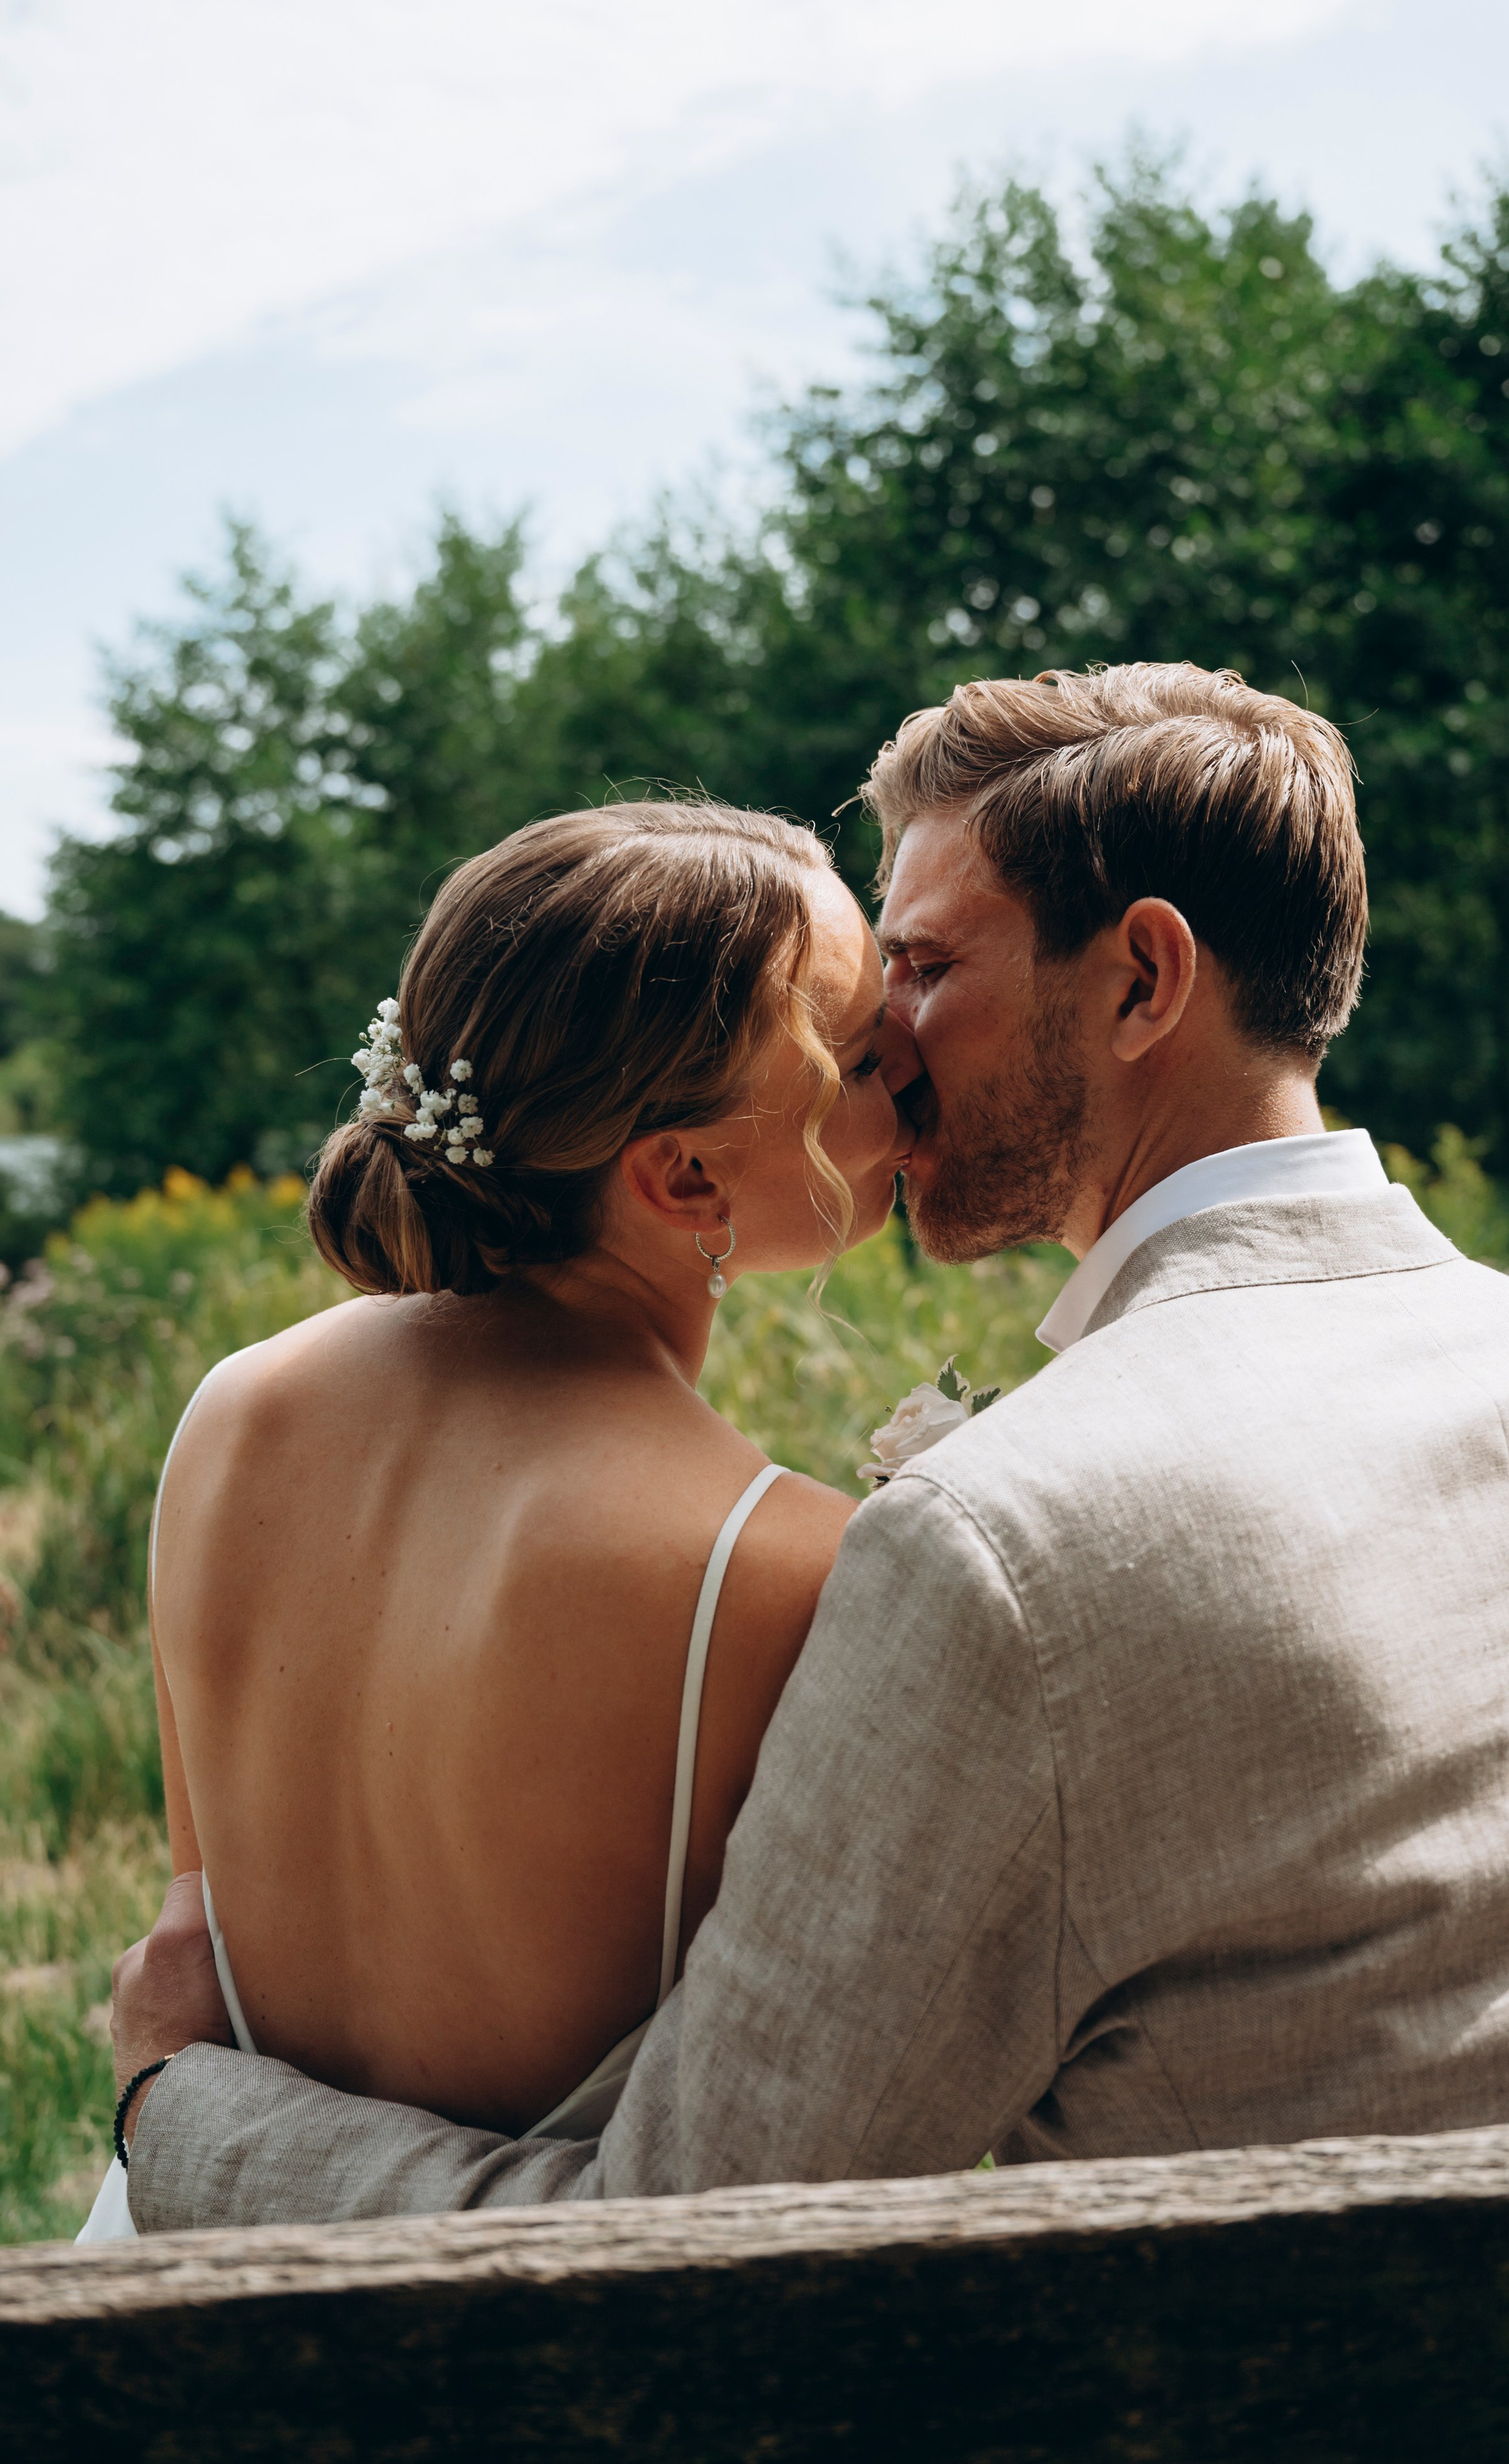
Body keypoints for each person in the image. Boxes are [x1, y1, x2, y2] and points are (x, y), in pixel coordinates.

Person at [115, 661, 1509, 2229]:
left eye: (926, 971)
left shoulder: (1008, 1549)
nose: (883, 1040)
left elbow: (686, 2237)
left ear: (1144, 981)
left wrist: (178, 2106)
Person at [79, 800, 917, 2240]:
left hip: (193, 2267)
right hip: (528, 2347)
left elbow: (191, 1954)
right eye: (861, 1054)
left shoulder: (231, 1412)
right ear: (684, 1176)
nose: (915, 1067)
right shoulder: (766, 1560)